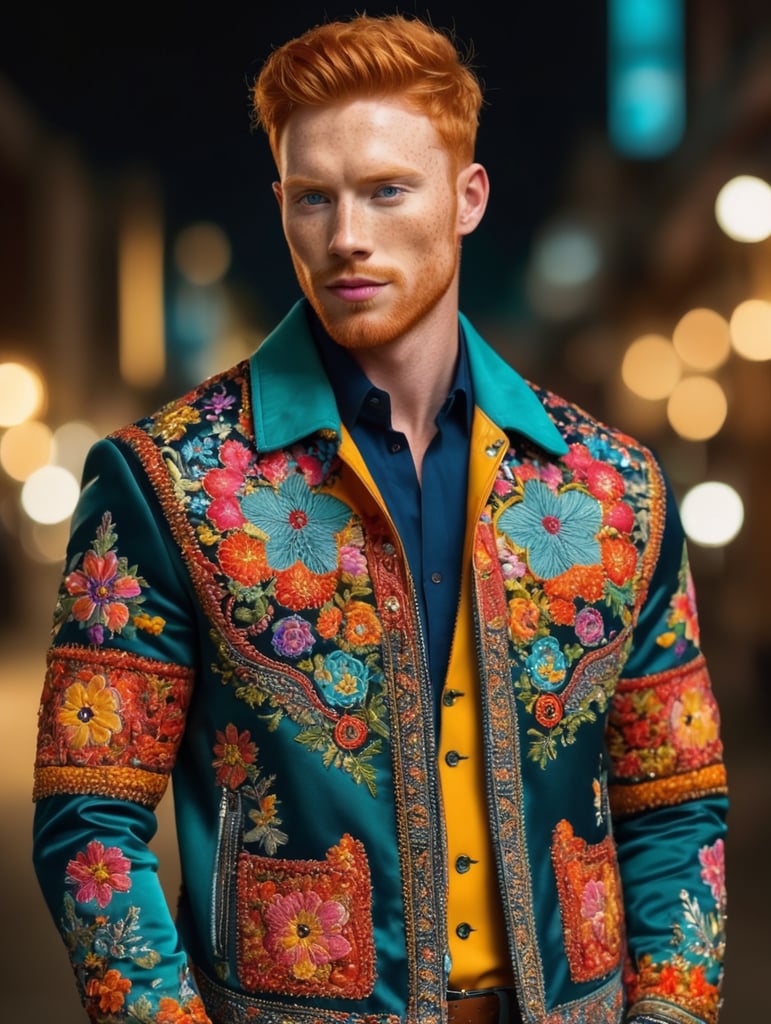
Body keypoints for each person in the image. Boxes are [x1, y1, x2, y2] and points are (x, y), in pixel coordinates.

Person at [32, 13, 728, 1024]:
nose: (346, 235)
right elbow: (89, 814)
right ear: (280, 206)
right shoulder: (165, 482)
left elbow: (677, 806)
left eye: (387, 191)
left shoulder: (610, 489)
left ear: (467, 198)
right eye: (313, 197)